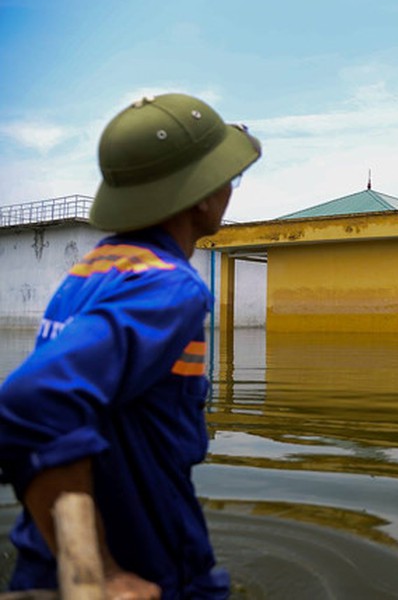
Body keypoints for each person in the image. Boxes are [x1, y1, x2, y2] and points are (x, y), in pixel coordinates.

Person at [0, 93, 261, 599]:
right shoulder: (170, 288)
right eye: (226, 176)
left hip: (43, 554)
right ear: (202, 196)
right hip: (145, 562)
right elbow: (32, 402)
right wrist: (101, 570)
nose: (230, 188)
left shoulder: (90, 271)